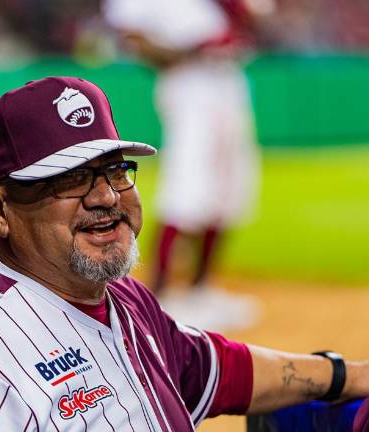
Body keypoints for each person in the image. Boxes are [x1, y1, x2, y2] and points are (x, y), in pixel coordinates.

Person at [0, 76, 369, 431]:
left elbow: (207, 368)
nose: (106, 197)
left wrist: (348, 374)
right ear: (0, 210)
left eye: (114, 170)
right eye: (70, 180)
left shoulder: (122, 300)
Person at [102, 0, 264, 330]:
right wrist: (195, 49)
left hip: (227, 81)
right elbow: (134, 41)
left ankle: (199, 289)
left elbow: (252, 22)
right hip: (189, 89)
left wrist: (235, 25)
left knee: (228, 190)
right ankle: (159, 296)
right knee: (188, 189)